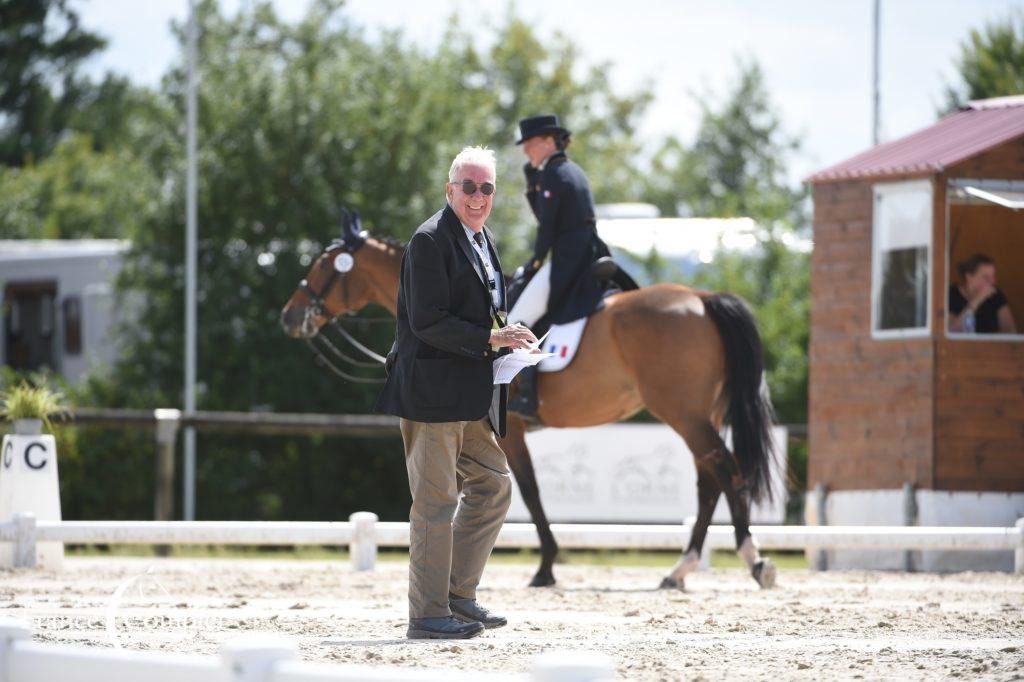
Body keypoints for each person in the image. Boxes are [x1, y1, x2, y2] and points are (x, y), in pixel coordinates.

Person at [375, 146, 538, 640]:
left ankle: (458, 597)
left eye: (486, 187)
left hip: (468, 395)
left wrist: (510, 334)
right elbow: (426, 321)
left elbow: (476, 310)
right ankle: (427, 615)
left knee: (493, 486)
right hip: (430, 396)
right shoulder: (429, 240)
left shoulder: (482, 238)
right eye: (468, 186)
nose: (478, 195)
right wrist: (491, 337)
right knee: (435, 504)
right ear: (450, 190)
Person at [506, 114, 612, 418]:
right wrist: (532, 184)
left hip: (568, 257)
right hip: (588, 252)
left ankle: (526, 395)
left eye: (529, 143)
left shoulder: (554, 174)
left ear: (548, 141)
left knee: (517, 317)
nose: (526, 151)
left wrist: (535, 262)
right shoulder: (572, 170)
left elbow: (547, 227)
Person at [948, 253, 1017, 334]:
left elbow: (1011, 331)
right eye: (986, 277)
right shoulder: (952, 294)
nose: (992, 281)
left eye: (993, 276)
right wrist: (976, 301)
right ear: (969, 277)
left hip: (991, 346)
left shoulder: (996, 294)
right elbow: (952, 330)